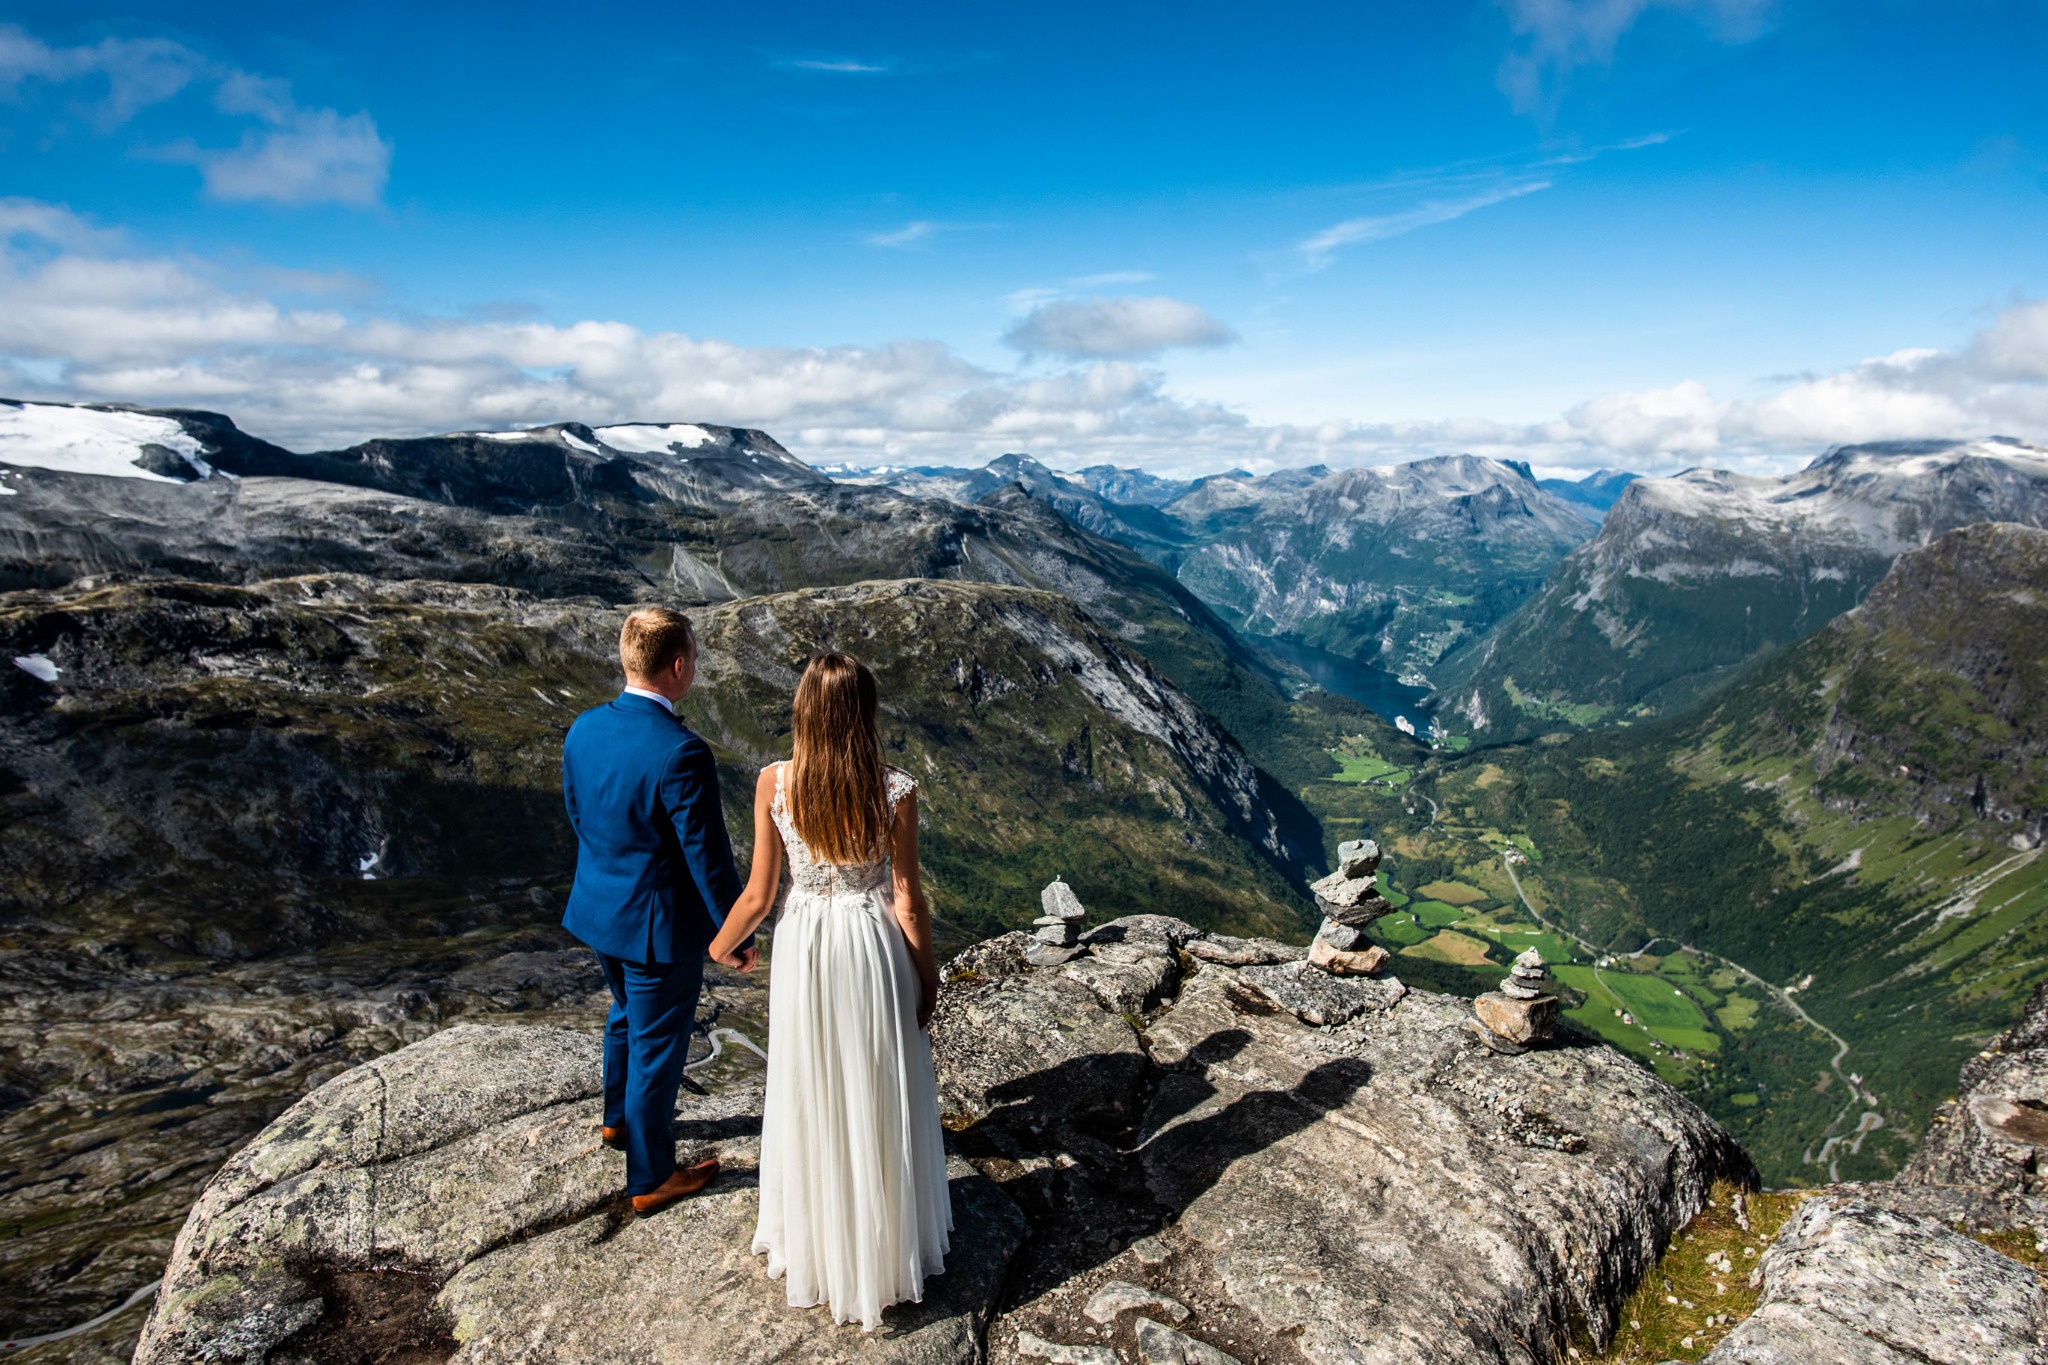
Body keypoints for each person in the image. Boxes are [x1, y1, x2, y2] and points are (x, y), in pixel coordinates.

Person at [707, 652, 951, 1331]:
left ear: (803, 712)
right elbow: (907, 900)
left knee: (811, 1086)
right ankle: (884, 1248)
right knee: (876, 1088)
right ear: (864, 714)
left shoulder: (773, 784)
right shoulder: (894, 789)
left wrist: (721, 944)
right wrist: (927, 976)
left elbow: (758, 893)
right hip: (871, 947)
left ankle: (818, 1242)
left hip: (807, 944)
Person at [561, 606, 757, 1216]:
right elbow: (708, 858)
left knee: (625, 1017)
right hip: (656, 929)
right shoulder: (681, 752)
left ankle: (617, 1122)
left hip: (599, 911)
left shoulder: (583, 729)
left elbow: (578, 814)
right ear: (678, 666)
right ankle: (650, 1175)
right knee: (657, 1047)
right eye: (694, 658)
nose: (694, 667)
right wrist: (736, 932)